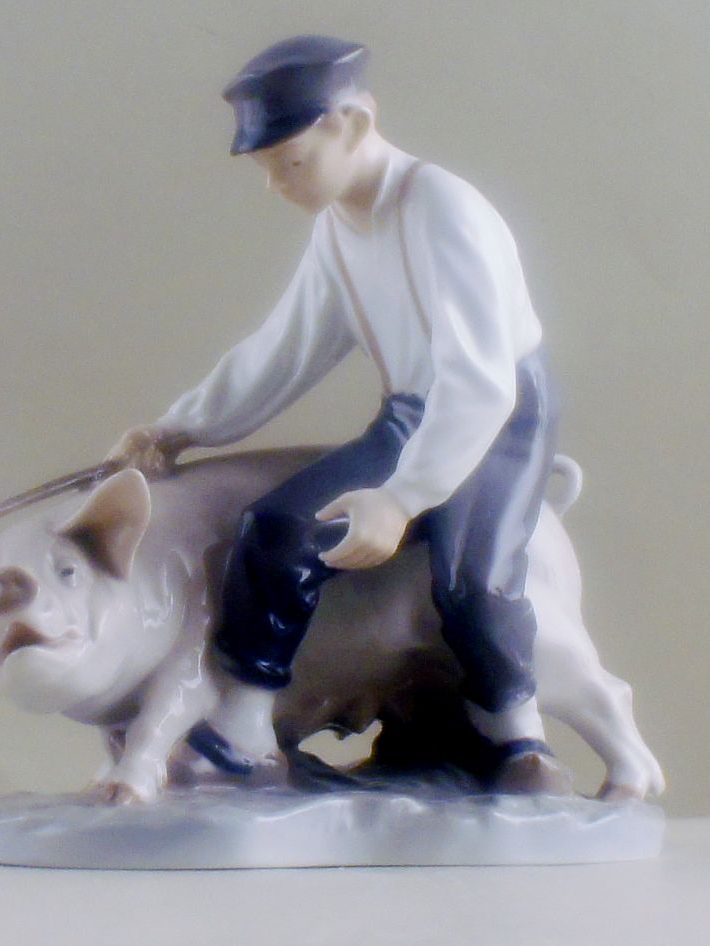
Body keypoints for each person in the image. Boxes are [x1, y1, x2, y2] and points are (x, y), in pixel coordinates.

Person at [107, 35, 568, 792]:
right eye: (268, 169)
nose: (276, 185)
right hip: (412, 413)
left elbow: (482, 381)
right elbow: (284, 349)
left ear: (350, 125)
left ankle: (512, 733)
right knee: (278, 529)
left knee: (474, 580)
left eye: (290, 163)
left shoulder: (443, 209)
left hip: (501, 417)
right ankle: (244, 726)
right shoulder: (339, 229)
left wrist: (403, 497)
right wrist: (181, 427)